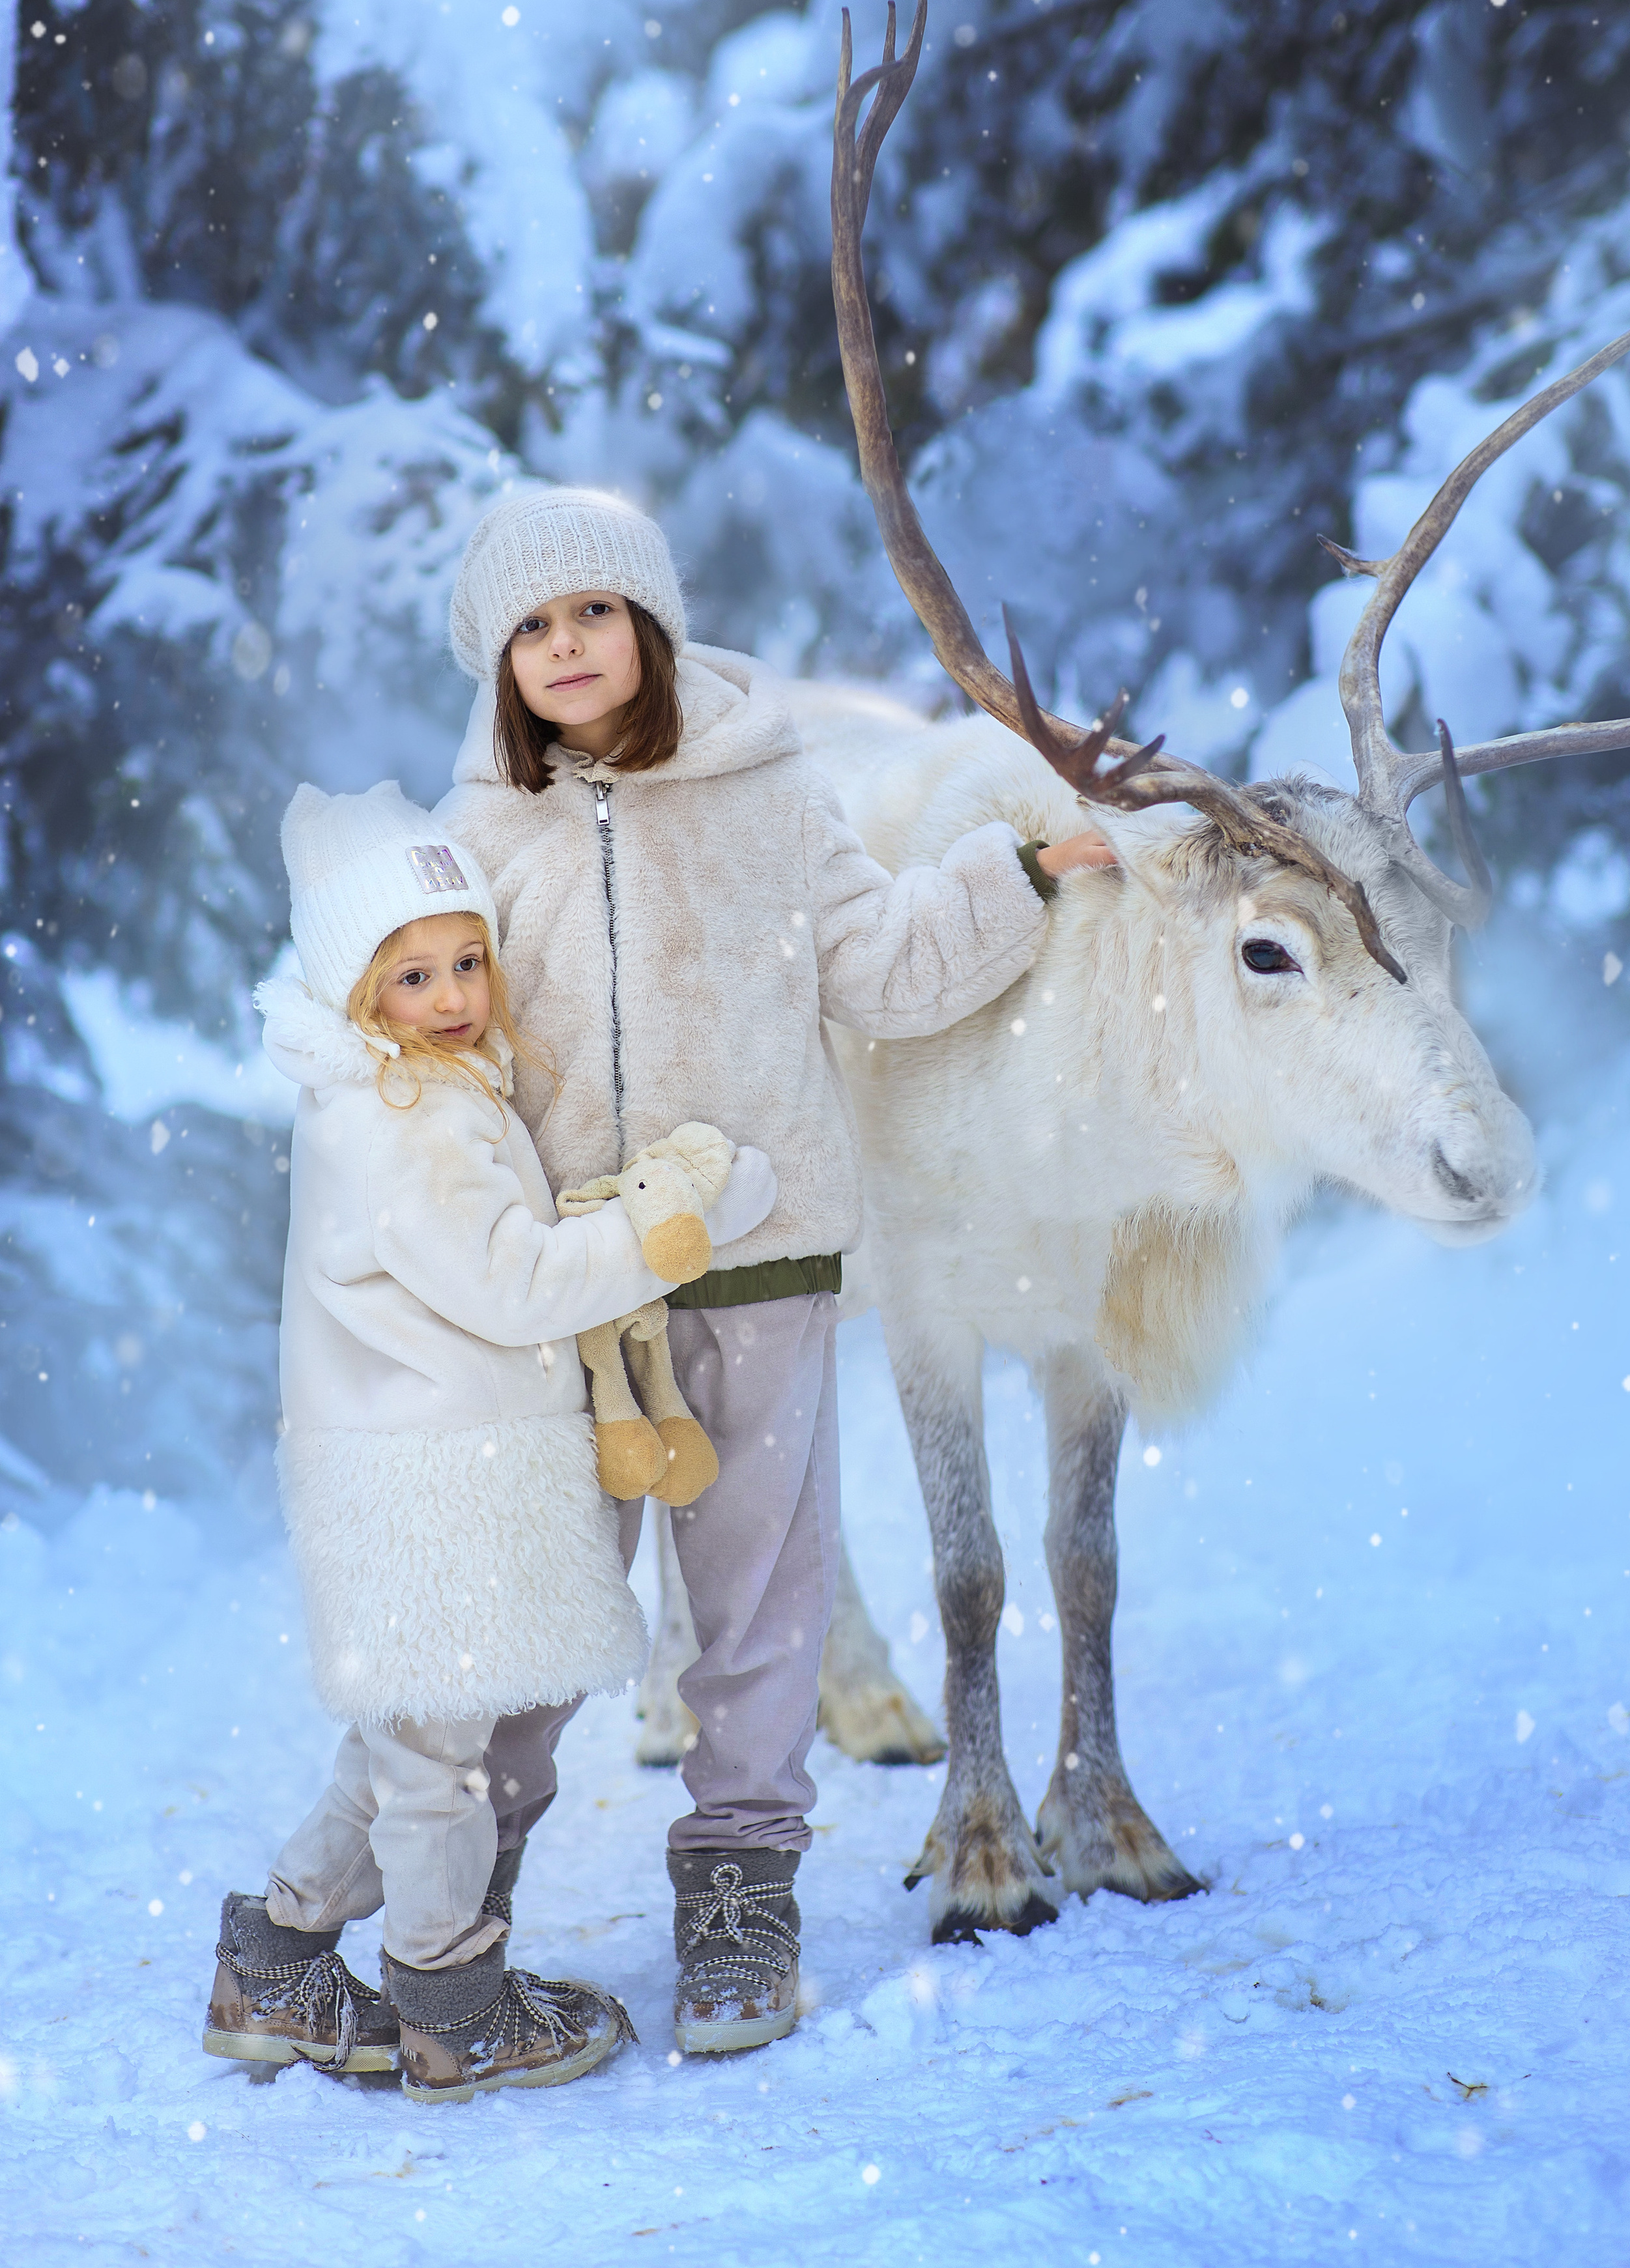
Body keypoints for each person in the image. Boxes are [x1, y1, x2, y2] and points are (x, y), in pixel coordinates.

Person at [436, 486, 1117, 2054]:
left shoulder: (762, 790)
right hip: (565, 1293)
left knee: (755, 1608)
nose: (566, 646)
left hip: (757, 1260)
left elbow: (879, 965)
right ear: (500, 666)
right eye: (531, 627)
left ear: (651, 624)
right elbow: (441, 1045)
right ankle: (452, 1916)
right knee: (533, 1606)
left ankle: (740, 1905)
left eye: (592, 611)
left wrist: (1011, 881)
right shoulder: (477, 833)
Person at [201, 780, 775, 2103]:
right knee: (433, 1766)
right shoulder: (403, 1121)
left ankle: (275, 1962)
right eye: (412, 973)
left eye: (466, 960)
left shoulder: (422, 1091)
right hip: (432, 1483)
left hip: (422, 1469)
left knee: (403, 1746)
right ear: (358, 992)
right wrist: (668, 1226)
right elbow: (513, 1281)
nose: (453, 991)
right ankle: (448, 2000)